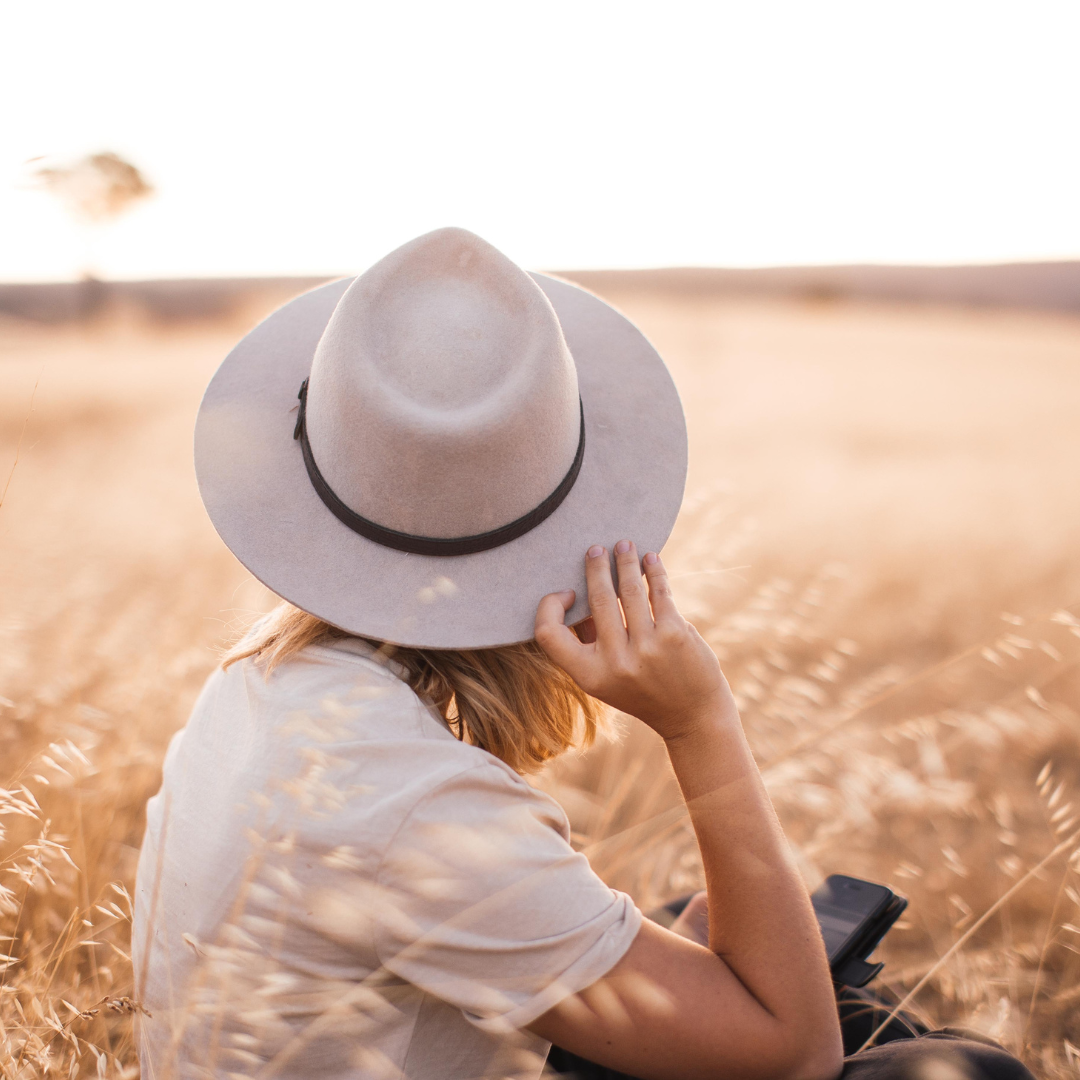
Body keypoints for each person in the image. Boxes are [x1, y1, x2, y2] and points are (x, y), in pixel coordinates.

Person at [133, 228, 1033, 1080]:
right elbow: (793, 1055)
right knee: (952, 1068)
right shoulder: (412, 801)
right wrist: (699, 724)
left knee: (865, 1015)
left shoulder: (257, 680)